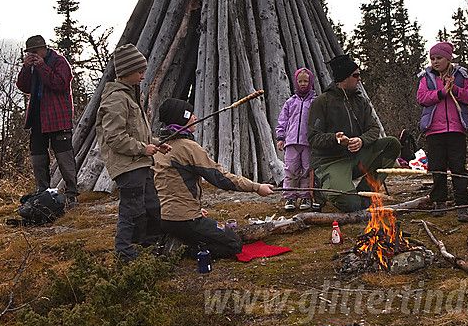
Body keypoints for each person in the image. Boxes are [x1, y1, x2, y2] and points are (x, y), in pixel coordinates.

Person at [152, 98, 274, 259]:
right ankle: (185, 252)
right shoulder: (189, 148)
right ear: (181, 118)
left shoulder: (159, 147)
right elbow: (220, 178)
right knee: (233, 244)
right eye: (190, 115)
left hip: (163, 217)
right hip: (185, 220)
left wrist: (193, 207)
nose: (195, 117)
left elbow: (169, 184)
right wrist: (256, 187)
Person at [96, 44, 169, 262]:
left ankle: (148, 251)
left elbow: (137, 134)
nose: (142, 76)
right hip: (128, 166)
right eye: (139, 71)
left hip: (140, 163)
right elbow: (114, 137)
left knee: (151, 207)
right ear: (126, 72)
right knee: (132, 212)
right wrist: (142, 149)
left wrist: (156, 144)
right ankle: (126, 256)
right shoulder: (116, 99)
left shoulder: (131, 97)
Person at [308, 55, 401, 213]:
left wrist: (361, 140)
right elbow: (313, 138)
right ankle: (325, 186)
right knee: (350, 204)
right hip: (331, 161)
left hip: (357, 157)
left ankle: (366, 194)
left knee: (392, 144)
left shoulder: (361, 102)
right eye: (355, 75)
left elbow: (373, 129)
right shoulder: (322, 102)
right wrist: (335, 139)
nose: (359, 79)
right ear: (344, 78)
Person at [416, 42, 468, 222]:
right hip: (434, 130)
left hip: (457, 129)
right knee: (437, 167)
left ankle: (462, 204)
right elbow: (422, 98)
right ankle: (439, 201)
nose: (435, 62)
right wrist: (442, 93)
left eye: (439, 58)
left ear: (448, 58)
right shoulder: (426, 78)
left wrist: (455, 90)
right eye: (432, 58)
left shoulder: (461, 76)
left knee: (458, 166)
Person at [16, 35, 79, 207]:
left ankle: (72, 193)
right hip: (38, 118)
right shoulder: (31, 67)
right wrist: (25, 68)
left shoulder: (59, 62)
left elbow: (59, 83)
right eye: (30, 53)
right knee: (38, 158)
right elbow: (23, 86)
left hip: (58, 118)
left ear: (44, 49)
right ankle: (42, 193)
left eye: (35, 52)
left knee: (64, 158)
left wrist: (42, 67)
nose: (33, 55)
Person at [276, 68, 316, 212]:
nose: (303, 84)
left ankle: (306, 196)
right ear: (296, 82)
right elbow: (283, 121)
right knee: (291, 170)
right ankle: (290, 197)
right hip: (291, 142)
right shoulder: (290, 102)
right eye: (300, 81)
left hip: (308, 143)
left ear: (310, 82)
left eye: (306, 81)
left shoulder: (314, 102)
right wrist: (281, 138)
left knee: (307, 169)